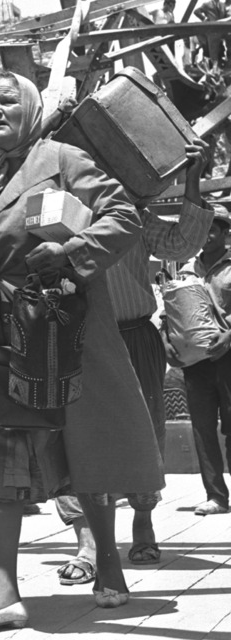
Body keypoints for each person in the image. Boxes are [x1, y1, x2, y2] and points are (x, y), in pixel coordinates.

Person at [0, 71, 164, 631]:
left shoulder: (63, 159)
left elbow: (122, 216)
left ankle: (107, 563)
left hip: (57, 331)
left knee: (80, 446)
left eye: (7, 100)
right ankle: (4, 593)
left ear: (32, 109)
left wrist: (70, 252)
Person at [55, 139, 212, 583]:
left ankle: (143, 522)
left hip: (134, 335)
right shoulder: (55, 213)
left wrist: (193, 179)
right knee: (73, 435)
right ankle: (86, 541)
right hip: (76, 337)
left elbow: (181, 244)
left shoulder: (133, 215)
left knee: (145, 430)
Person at [165, 207, 231, 515]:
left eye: (212, 230)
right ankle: (216, 497)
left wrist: (229, 337)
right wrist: (166, 342)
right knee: (203, 429)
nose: (206, 236)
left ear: (225, 232)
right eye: (202, 230)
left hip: (228, 358)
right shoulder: (186, 270)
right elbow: (168, 311)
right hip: (195, 363)